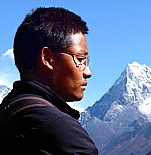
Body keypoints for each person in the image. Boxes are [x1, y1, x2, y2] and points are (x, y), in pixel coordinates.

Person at [0, 7, 98, 154]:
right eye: (80, 59)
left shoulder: (8, 113)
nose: (88, 72)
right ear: (47, 58)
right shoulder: (60, 131)